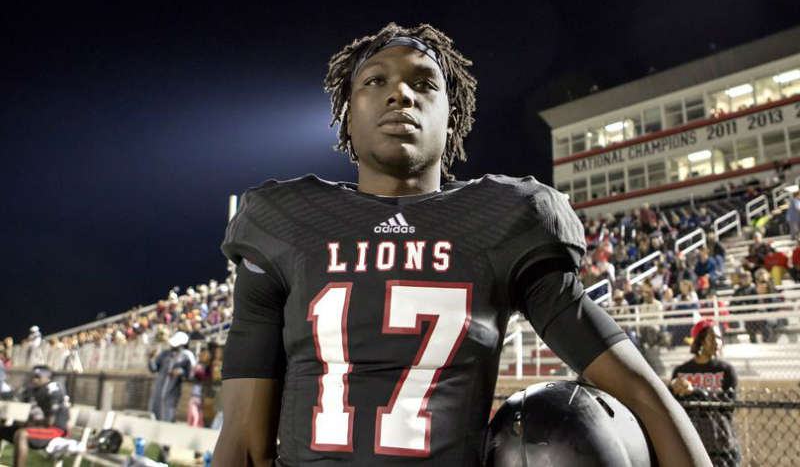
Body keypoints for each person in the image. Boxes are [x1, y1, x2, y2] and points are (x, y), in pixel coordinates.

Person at [212, 23, 710, 466]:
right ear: (346, 115)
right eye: (375, 80)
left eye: (425, 83)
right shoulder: (285, 222)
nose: (400, 94)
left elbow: (645, 397)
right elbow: (242, 442)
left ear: (452, 115)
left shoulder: (504, 221)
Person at [670, 320, 740, 466]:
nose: (718, 342)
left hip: (721, 443)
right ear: (699, 340)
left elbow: (727, 407)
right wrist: (672, 386)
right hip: (689, 441)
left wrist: (694, 392)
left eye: (720, 338)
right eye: (713, 337)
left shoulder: (726, 370)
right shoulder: (681, 371)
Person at [0, 366, 70, 467]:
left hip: (55, 430)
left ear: (46, 377)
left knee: (22, 434)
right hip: (38, 428)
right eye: (33, 376)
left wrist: (30, 423)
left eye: (37, 377)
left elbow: (50, 421)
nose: (34, 379)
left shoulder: (52, 390)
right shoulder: (32, 390)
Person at [147, 331, 195, 422]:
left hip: (172, 391)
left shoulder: (186, 356)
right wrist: (151, 359)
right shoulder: (165, 354)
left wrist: (180, 372)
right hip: (159, 388)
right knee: (154, 413)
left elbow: (190, 374)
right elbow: (154, 368)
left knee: (168, 413)